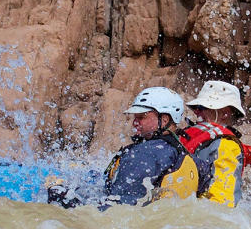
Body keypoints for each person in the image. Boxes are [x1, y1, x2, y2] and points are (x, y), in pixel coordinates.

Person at [48, 86, 198, 208]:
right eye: (135, 118)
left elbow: (115, 211)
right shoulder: (175, 148)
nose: (135, 123)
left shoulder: (144, 156)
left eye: (141, 117)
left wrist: (61, 196)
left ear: (164, 120)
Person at [179, 80, 251, 207]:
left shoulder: (227, 146)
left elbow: (221, 202)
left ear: (225, 113)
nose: (196, 112)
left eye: (202, 108)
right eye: (196, 108)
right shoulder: (222, 143)